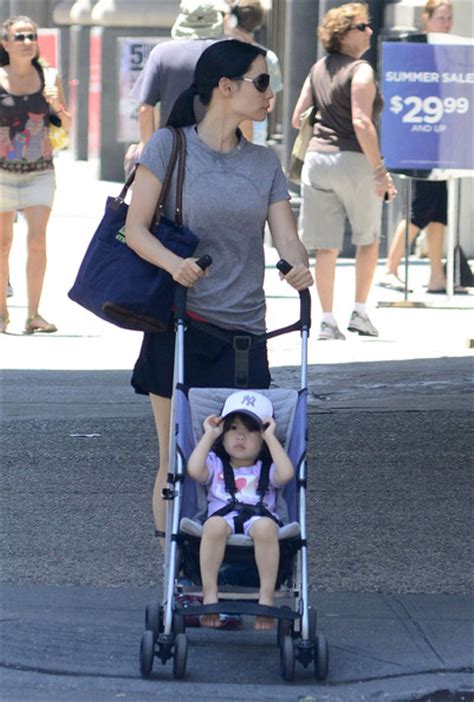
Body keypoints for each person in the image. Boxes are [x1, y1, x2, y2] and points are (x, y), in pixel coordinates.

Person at [125, 39, 313, 541]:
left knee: (242, 465)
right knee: (176, 462)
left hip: (245, 335)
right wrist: (175, 264)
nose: (271, 93)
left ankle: (231, 570)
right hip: (181, 323)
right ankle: (177, 582)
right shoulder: (170, 146)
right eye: (263, 82)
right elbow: (135, 228)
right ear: (226, 88)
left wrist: (299, 267)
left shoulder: (264, 162)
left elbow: (287, 237)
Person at [292, 3, 396, 341]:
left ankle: (326, 320)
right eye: (362, 27)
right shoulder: (361, 70)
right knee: (368, 238)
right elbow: (362, 121)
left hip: (317, 161)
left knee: (326, 247)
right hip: (353, 160)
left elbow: (297, 118)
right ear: (343, 35)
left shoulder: (317, 68)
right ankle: (360, 312)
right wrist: (380, 169)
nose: (369, 31)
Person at [187, 390, 294, 630]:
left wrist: (271, 438)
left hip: (259, 519)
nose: (240, 436)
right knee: (212, 526)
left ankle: (266, 598)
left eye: (251, 430)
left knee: (267, 527)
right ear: (223, 434)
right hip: (223, 519)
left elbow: (287, 475)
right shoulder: (214, 463)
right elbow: (194, 470)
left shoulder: (267, 467)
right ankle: (210, 593)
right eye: (233, 428)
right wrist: (209, 435)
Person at [379, 0, 456, 294]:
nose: (446, 23)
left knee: (439, 212)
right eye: (440, 17)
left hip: (443, 141)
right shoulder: (418, 51)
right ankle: (391, 268)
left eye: (449, 18)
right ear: (426, 19)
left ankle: (437, 275)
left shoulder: (451, 53)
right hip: (421, 140)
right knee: (421, 210)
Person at [0, 15, 71, 334]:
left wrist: (56, 107)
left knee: (37, 242)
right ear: (6, 44)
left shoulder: (50, 77)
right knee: (2, 244)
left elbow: (66, 128)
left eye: (31, 36)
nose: (27, 42)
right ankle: (2, 312)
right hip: (2, 173)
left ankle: (33, 314)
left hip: (40, 171)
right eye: (20, 37)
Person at [130, 0, 227, 155]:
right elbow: (244, 112)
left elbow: (145, 109)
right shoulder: (230, 54)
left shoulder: (161, 53)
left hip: (173, 151)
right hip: (220, 151)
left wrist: (149, 151)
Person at [223, 0, 283, 145]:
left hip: (223, 123)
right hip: (256, 126)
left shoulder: (219, 53)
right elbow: (271, 103)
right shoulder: (268, 58)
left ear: (233, 19)